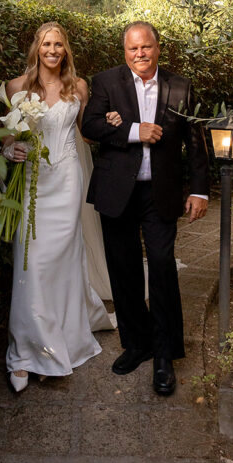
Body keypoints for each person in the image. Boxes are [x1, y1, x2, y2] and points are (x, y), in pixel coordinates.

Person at [81, 21, 210, 397]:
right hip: (117, 190)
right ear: (125, 52)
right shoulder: (105, 82)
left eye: (146, 47)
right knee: (122, 270)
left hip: (161, 193)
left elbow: (196, 141)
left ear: (158, 47)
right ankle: (136, 344)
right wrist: (134, 131)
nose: (140, 54)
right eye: (133, 49)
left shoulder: (181, 85)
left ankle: (165, 354)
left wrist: (199, 191)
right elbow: (89, 125)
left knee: (163, 267)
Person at [2, 22, 118, 393]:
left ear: (66, 50)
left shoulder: (78, 87)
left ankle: (61, 341)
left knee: (61, 262)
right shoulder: (15, 87)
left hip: (67, 180)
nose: (53, 50)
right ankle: (25, 352)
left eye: (59, 45)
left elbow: (85, 132)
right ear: (37, 47)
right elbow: (6, 137)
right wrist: (10, 149)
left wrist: (111, 121)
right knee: (31, 263)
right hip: (32, 182)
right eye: (47, 44)